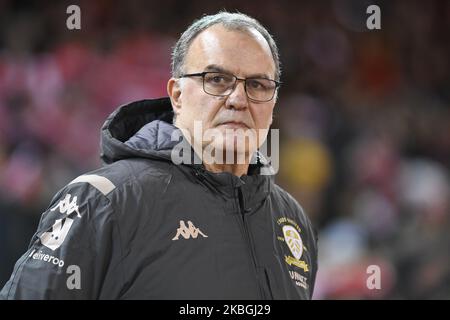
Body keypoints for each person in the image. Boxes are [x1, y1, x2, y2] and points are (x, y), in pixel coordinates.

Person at [0, 11, 318, 300]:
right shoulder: (100, 202)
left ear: (274, 102)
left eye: (258, 84)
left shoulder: (292, 220)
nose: (237, 99)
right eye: (217, 80)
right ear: (177, 95)